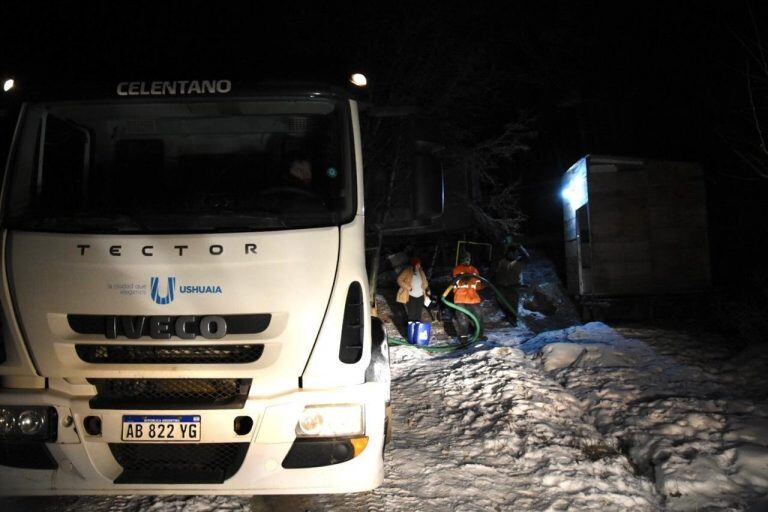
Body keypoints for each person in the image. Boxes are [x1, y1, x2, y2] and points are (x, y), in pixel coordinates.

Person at [452, 251, 485, 341]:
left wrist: (484, 285)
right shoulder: (457, 269)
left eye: (468, 258)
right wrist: (463, 279)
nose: (467, 260)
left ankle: (479, 334)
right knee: (462, 318)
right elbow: (456, 283)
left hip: (473, 298)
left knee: (479, 315)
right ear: (461, 259)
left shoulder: (474, 270)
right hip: (460, 298)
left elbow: (477, 286)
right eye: (465, 258)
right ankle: (464, 337)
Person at [494, 244, 530, 325]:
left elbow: (527, 257)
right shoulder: (502, 261)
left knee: (513, 303)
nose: (512, 255)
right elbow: (496, 272)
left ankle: (513, 320)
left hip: (513, 286)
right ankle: (508, 317)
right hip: (502, 286)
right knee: (502, 302)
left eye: (514, 253)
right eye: (510, 253)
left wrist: (520, 247)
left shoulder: (519, 262)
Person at [396, 257, 431, 333]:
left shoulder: (421, 271)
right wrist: (408, 287)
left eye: (419, 264)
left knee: (418, 315)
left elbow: (425, 282)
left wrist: (426, 287)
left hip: (420, 296)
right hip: (411, 296)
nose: (419, 265)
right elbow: (399, 280)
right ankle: (410, 331)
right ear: (414, 264)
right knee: (412, 315)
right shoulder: (408, 270)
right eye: (418, 264)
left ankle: (416, 332)